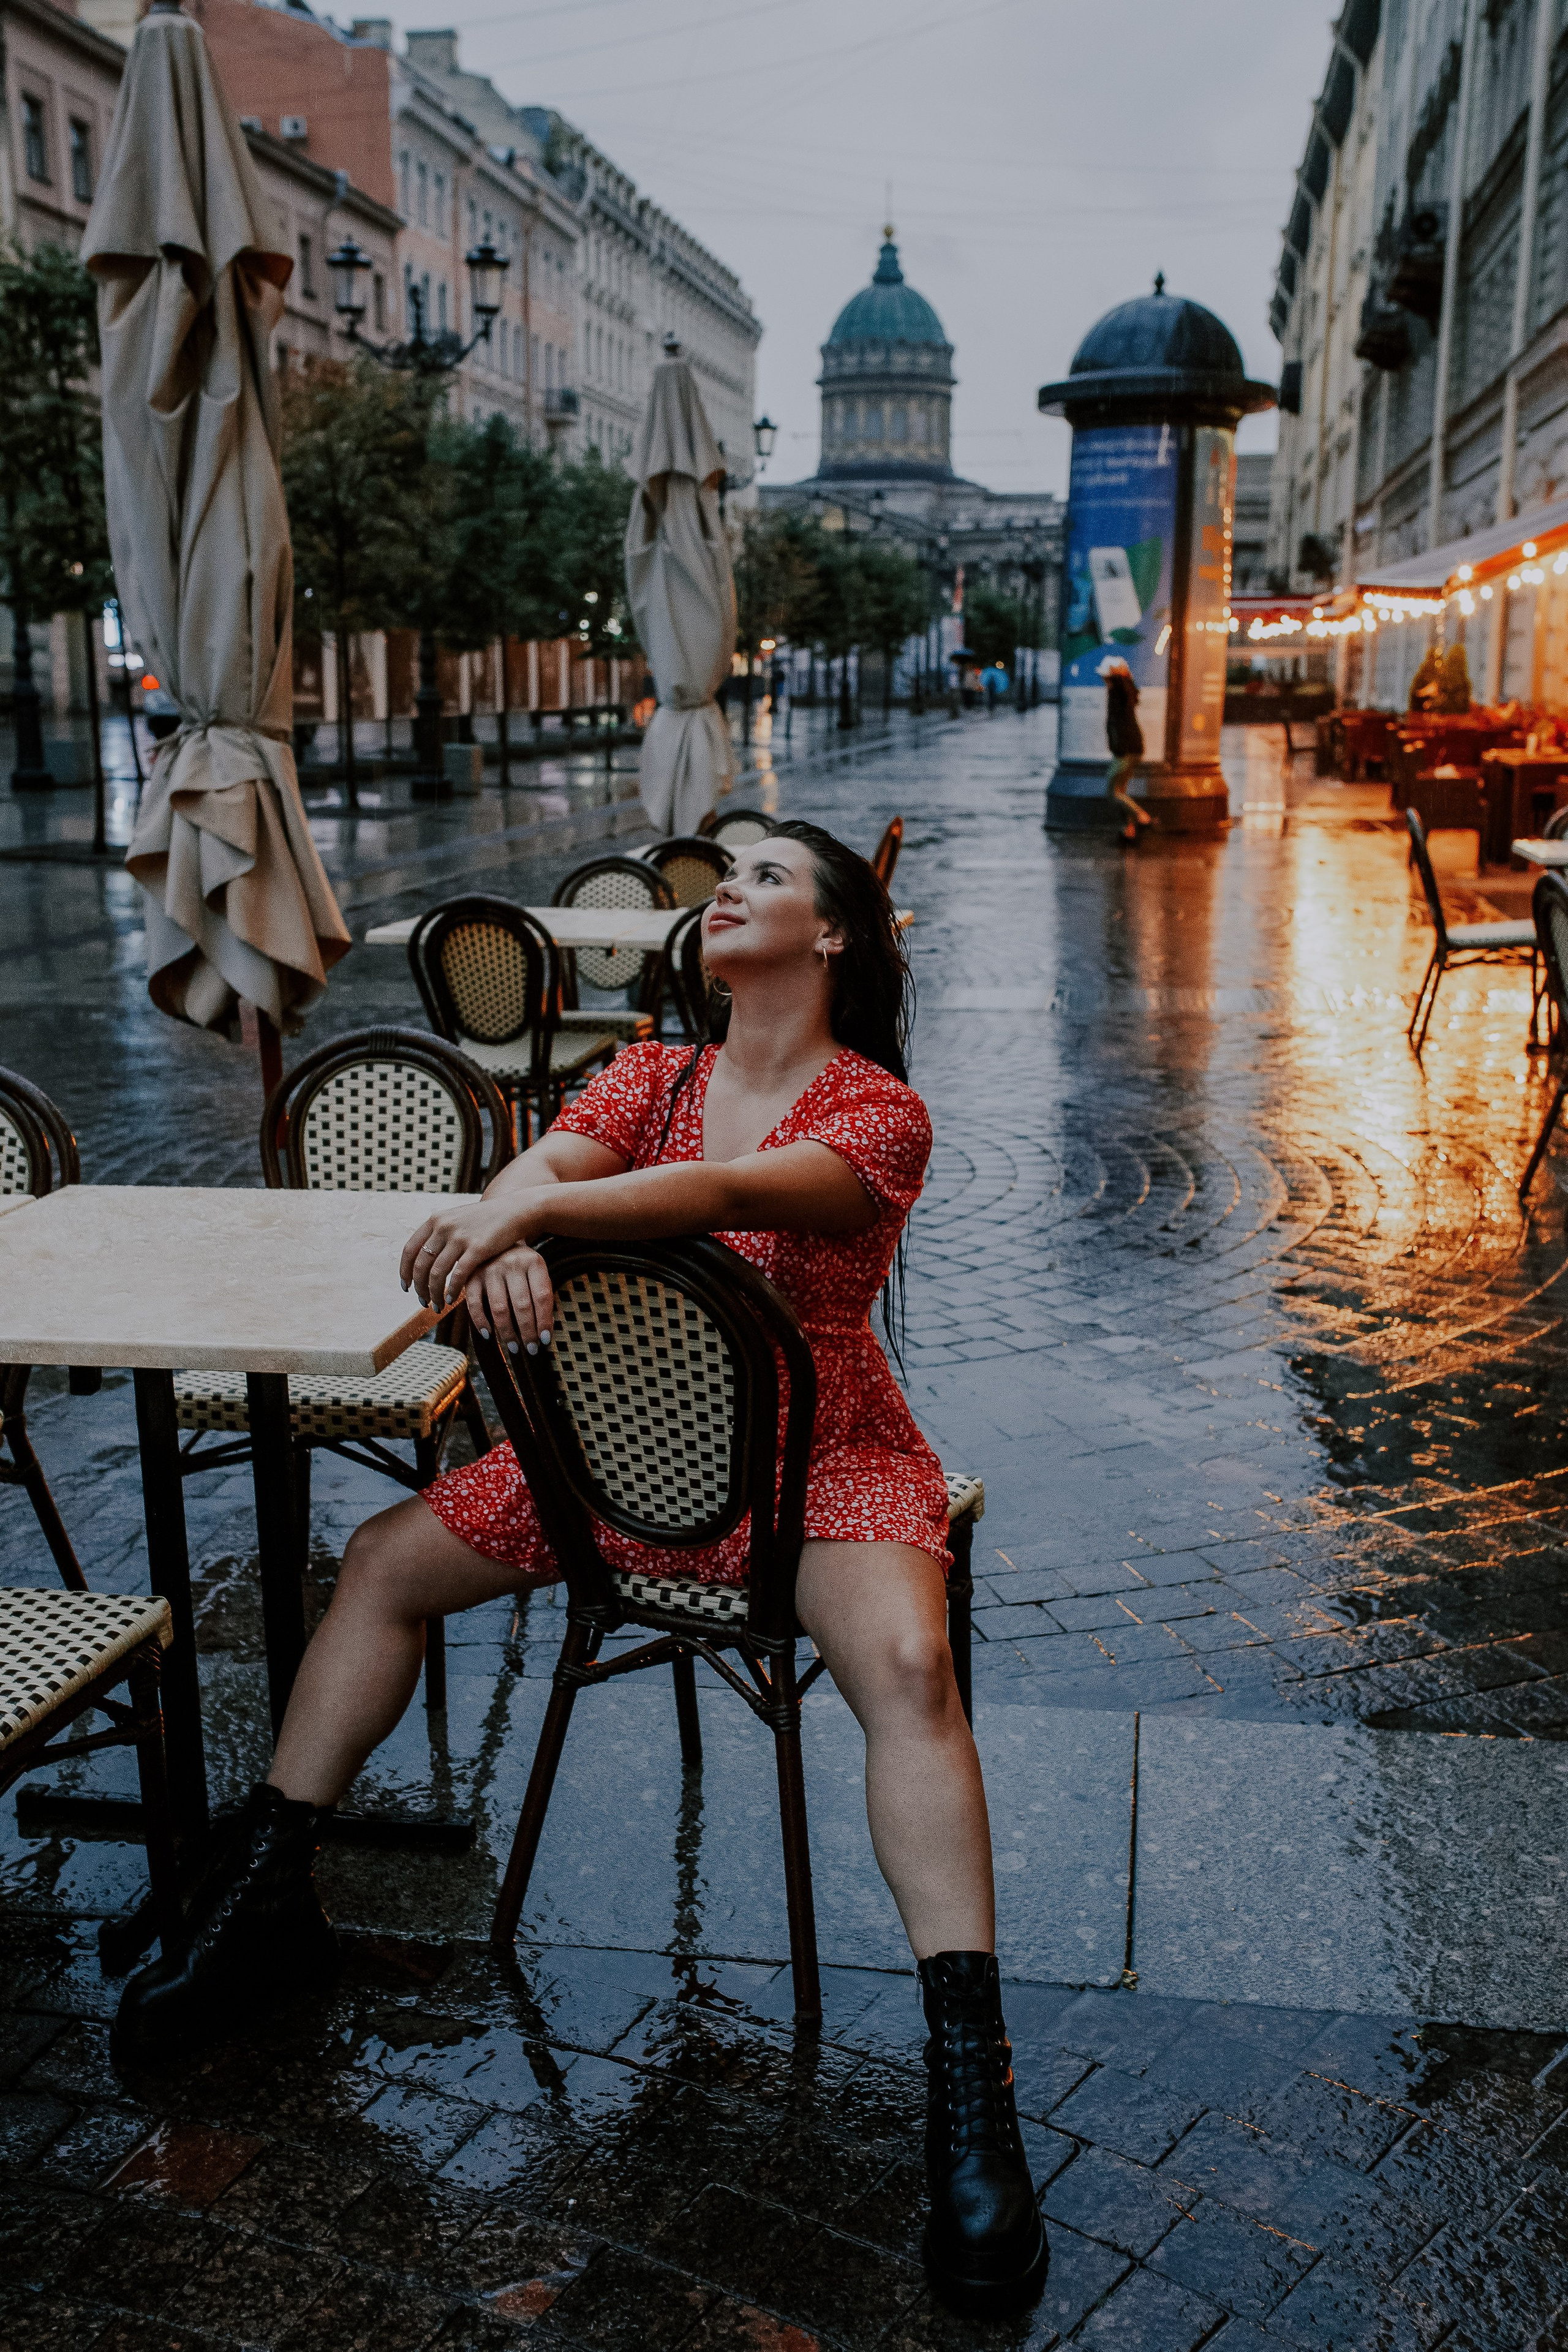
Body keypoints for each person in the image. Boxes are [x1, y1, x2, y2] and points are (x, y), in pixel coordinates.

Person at [113, 820, 1049, 2319]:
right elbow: (550, 1150)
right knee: (379, 1561)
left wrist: (534, 1211)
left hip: (822, 1460)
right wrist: (513, 1202)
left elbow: (712, 1199)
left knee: (909, 1668)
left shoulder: (878, 1111)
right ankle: (269, 1891)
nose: (720, 892)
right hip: (605, 1465)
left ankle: (966, 2072)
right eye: (717, 875)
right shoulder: (648, 1076)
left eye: (762, 878)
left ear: (834, 939)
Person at [1102, 657, 1152, 840]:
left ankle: (1141, 816)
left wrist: (1119, 676)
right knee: (1121, 793)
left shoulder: (1119, 693)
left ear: (1111, 679)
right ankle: (1129, 830)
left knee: (1112, 792)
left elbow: (1123, 692)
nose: (1103, 681)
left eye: (1105, 678)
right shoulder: (1123, 692)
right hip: (1132, 749)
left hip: (1125, 750)